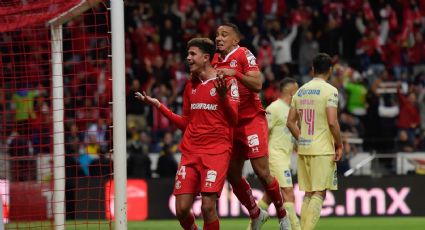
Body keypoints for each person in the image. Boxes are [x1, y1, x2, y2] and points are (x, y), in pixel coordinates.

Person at [136, 37, 239, 230]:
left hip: (216, 152)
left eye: (193, 54)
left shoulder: (226, 82)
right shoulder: (190, 87)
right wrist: (159, 106)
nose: (188, 58)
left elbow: (234, 120)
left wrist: (224, 98)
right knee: (182, 209)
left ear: (206, 57)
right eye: (188, 54)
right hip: (191, 152)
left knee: (208, 207)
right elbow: (186, 123)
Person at [213, 23, 290, 230]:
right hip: (231, 123)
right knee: (233, 174)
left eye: (224, 35)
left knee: (261, 171)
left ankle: (283, 216)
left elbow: (258, 85)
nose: (219, 38)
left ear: (235, 40)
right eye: (217, 35)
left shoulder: (243, 54)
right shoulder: (213, 61)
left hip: (251, 120)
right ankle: (256, 213)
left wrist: (234, 73)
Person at [287, 53, 343, 230]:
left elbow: (290, 122)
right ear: (330, 70)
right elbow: (332, 121)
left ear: (312, 69)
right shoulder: (330, 91)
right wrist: (339, 144)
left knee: (309, 194)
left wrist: (302, 139)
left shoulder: (300, 91)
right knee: (319, 193)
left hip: (304, 149)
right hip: (322, 149)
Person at [253, 77, 300, 230]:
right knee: (287, 191)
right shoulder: (274, 108)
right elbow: (263, 132)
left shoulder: (291, 110)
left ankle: (252, 226)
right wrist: (263, 157)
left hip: (284, 157)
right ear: (292, 92)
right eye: (297, 90)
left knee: (269, 196)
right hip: (275, 156)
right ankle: (295, 227)